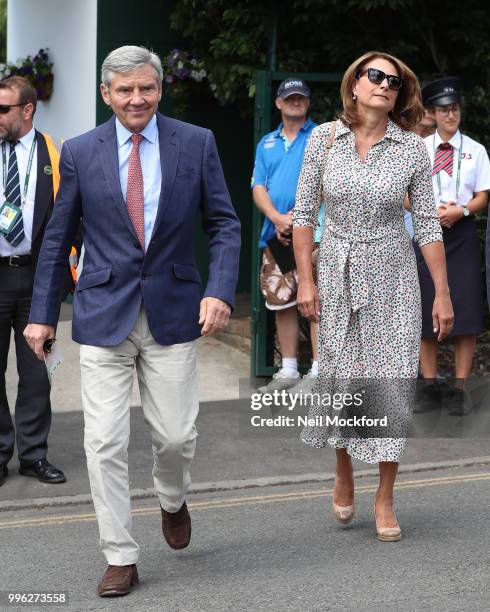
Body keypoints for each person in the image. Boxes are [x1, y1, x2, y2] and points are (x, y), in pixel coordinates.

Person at [24, 46, 240, 597]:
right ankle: (120, 554)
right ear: (107, 95)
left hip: (174, 310)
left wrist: (218, 291)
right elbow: (57, 237)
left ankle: (171, 498)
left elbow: (224, 223)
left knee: (174, 436)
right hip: (101, 312)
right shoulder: (78, 152)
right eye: (124, 91)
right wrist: (42, 316)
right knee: (103, 442)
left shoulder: (196, 142)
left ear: (159, 89)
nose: (135, 99)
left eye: (145, 88)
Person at [292, 51, 453, 541]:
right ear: (355, 85)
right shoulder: (323, 139)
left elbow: (426, 223)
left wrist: (441, 293)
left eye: (395, 81)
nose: (385, 85)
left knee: (391, 383)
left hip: (393, 276)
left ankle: (384, 494)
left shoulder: (411, 150)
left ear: (401, 94)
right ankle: (343, 469)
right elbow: (303, 214)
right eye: (375, 76)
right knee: (343, 380)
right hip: (337, 271)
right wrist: (305, 279)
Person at [0, 76, 74, 487]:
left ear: (27, 110)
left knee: (36, 372)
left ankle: (33, 455)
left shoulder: (54, 153)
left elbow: (71, 215)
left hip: (37, 280)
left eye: (4, 109)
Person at [416, 77, 490, 415]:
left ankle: (460, 388)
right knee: (425, 307)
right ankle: (429, 386)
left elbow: (483, 196)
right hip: (427, 230)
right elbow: (403, 193)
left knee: (466, 308)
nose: (451, 115)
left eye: (455, 109)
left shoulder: (476, 150)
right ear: (432, 113)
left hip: (460, 233)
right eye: (444, 110)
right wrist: (428, 211)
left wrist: (460, 210)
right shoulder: (418, 149)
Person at [252, 78, 318, 393]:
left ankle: (319, 374)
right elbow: (258, 186)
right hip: (275, 234)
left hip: (315, 234)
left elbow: (328, 182)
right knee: (282, 302)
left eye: (300, 98)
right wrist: (278, 218)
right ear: (278, 103)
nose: (295, 102)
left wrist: (300, 217)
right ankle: (289, 369)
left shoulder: (322, 137)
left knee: (316, 300)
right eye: (289, 98)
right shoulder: (266, 142)